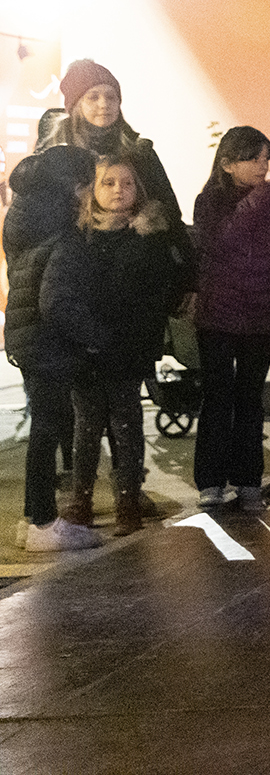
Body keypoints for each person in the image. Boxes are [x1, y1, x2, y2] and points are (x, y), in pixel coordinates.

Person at [40, 154, 185, 536]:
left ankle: (128, 502)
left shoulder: (149, 239)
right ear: (92, 190)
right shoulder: (77, 238)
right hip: (87, 350)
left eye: (127, 183)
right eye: (108, 182)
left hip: (127, 352)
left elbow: (157, 295)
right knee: (86, 428)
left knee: (127, 426)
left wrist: (128, 339)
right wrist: (91, 336)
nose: (119, 190)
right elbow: (57, 296)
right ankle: (81, 501)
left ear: (139, 190)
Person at [190, 126, 270, 512]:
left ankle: (248, 481)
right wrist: (257, 201)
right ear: (227, 164)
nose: (263, 165)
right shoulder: (209, 203)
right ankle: (210, 482)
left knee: (250, 400)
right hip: (217, 319)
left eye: (266, 158)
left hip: (261, 319)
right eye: (253, 158)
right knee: (217, 398)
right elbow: (220, 241)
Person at [3, 146, 104, 551]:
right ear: (75, 185)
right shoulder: (63, 230)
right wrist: (94, 336)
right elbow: (56, 300)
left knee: (44, 428)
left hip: (27, 337)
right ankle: (44, 524)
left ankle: (34, 518)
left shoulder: (27, 218)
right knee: (49, 428)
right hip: (49, 341)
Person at [41, 59, 185, 231]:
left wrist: (148, 223)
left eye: (111, 97)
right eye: (93, 97)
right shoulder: (54, 156)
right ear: (77, 105)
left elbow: (172, 216)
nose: (104, 104)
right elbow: (31, 226)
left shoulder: (141, 153)